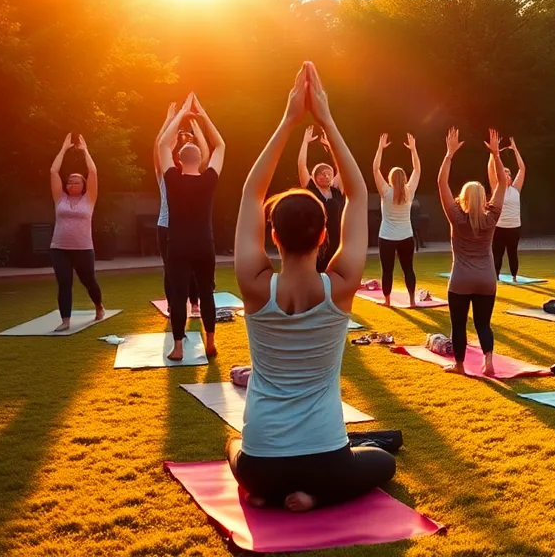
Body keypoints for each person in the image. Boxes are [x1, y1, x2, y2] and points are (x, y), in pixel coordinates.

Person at [228, 61, 393, 513]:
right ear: (325, 236)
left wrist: (287, 120)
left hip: (260, 461)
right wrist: (327, 119)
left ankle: (262, 493)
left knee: (232, 447)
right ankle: (309, 497)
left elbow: (249, 194)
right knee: (380, 460)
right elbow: (359, 195)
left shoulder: (255, 286)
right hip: (326, 460)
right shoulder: (340, 286)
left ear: (273, 236)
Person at [157, 92, 226, 360]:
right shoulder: (209, 180)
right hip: (203, 244)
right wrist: (202, 114)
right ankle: (210, 341)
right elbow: (220, 145)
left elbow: (163, 144)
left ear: (179, 161)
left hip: (178, 244)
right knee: (207, 292)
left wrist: (181, 112)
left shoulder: (172, 178)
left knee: (177, 294)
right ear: (200, 159)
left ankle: (178, 347)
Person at [439, 128, 507, 376]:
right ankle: (488, 362)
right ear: (483, 197)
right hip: (487, 279)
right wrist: (496, 155)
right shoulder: (491, 217)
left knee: (458, 326)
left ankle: (459, 366)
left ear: (464, 198)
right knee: (483, 324)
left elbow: (442, 182)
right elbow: (502, 183)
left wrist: (449, 154)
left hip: (461, 279)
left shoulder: (456, 217)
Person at [155, 103, 208, 316]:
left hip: (190, 228)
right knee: (171, 270)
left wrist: (196, 127)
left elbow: (204, 154)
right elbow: (159, 147)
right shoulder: (166, 175)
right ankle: (172, 304)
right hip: (167, 227)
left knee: (194, 269)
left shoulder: (196, 174)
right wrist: (169, 121)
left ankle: (195, 304)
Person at [48, 133, 104, 331]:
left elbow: (93, 173)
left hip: (83, 248)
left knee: (88, 281)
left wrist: (85, 151)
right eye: (69, 181)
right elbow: (53, 172)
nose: (71, 184)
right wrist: (63, 149)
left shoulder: (89, 199)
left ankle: (99, 307)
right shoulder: (60, 199)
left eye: (76, 182)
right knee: (64, 283)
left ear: (83, 185)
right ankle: (65, 320)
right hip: (59, 248)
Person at [372, 133, 421, 307]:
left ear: (391, 179)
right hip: (406, 237)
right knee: (408, 269)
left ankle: (387, 301)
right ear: (404, 179)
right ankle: (413, 301)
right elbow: (417, 170)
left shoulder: (385, 191)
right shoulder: (409, 191)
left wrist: (380, 148)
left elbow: (375, 169)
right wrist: (413, 150)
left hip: (386, 237)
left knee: (387, 270)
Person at [299, 126, 345, 274]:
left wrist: (331, 146)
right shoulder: (311, 189)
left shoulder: (336, 190)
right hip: (315, 241)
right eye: (321, 174)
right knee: (315, 276)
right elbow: (301, 165)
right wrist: (305, 143)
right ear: (314, 176)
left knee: (334, 278)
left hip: (337, 241)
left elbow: (343, 165)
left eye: (328, 174)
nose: (325, 177)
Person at [490, 137, 527, 280]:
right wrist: (494, 154)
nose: (507, 175)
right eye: (504, 173)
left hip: (514, 227)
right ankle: (496, 277)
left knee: (512, 253)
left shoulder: (515, 188)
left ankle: (514, 277)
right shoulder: (497, 189)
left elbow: (522, 168)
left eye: (509, 174)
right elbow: (492, 171)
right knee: (497, 253)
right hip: (499, 227)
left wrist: (515, 149)